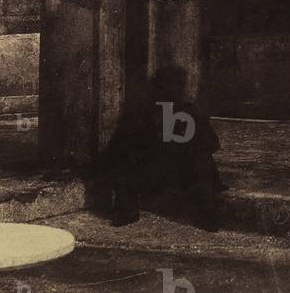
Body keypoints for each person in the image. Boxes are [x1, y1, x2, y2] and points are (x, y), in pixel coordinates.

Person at [97, 66, 227, 229]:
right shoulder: (187, 111)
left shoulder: (140, 111)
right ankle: (206, 215)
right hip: (171, 175)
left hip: (158, 174)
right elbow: (212, 144)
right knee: (201, 159)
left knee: (200, 158)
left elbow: (116, 146)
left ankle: (127, 211)